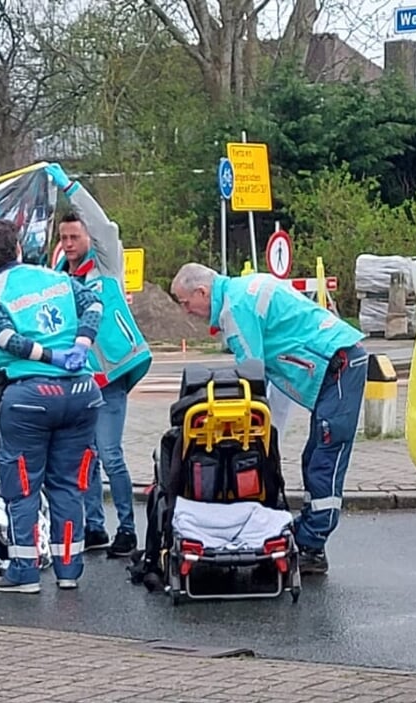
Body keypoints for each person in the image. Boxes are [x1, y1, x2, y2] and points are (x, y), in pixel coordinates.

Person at [168, 262, 367, 575]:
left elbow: (251, 377)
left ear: (201, 292)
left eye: (185, 302)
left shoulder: (234, 311)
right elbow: (268, 376)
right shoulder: (244, 288)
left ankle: (312, 546)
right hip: (336, 361)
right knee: (314, 455)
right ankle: (309, 534)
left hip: (337, 364)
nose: (186, 311)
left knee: (324, 460)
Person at [0, 218, 104, 593]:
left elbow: (5, 337)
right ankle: (69, 570)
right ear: (18, 248)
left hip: (29, 397)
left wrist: (48, 356)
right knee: (68, 484)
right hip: (82, 393)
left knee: (22, 485)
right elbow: (94, 303)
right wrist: (81, 345)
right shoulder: (57, 278)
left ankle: (24, 569)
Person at [44, 165, 153, 562]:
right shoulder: (57, 278)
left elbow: (104, 225)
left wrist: (70, 188)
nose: (70, 243)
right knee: (84, 456)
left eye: (75, 236)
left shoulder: (105, 265)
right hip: (79, 378)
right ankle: (94, 526)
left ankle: (126, 528)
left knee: (110, 453)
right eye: (64, 238)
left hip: (112, 376)